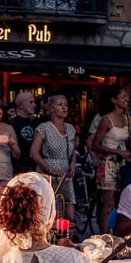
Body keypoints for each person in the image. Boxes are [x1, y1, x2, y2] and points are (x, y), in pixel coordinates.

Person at [89, 86, 131, 233]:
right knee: (108, 204)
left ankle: (116, 231)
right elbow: (95, 145)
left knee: (120, 202)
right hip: (107, 164)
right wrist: (117, 152)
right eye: (123, 97)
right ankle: (105, 234)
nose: (126, 100)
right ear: (114, 100)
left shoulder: (126, 118)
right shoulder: (106, 120)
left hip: (122, 164)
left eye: (127, 97)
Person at [30, 95, 77, 234]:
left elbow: (73, 150)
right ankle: (50, 239)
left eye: (66, 104)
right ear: (51, 109)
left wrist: (73, 164)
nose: (64, 108)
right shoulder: (44, 128)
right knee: (50, 211)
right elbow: (34, 153)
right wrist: (49, 169)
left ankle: (66, 238)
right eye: (60, 105)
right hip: (48, 171)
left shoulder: (70, 128)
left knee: (69, 213)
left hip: (66, 172)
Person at [10, 92, 37, 175]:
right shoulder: (12, 123)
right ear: (21, 105)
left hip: (33, 166)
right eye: (30, 102)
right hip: (18, 168)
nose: (34, 105)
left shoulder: (34, 123)